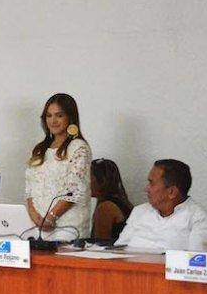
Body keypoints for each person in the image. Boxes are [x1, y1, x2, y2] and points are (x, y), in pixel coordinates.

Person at [24, 93, 92, 239]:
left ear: (70, 117)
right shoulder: (39, 149)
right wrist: (33, 214)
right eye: (48, 115)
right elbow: (29, 187)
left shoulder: (79, 148)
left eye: (59, 115)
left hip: (67, 228)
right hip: (36, 225)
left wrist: (51, 216)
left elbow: (73, 190)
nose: (53, 120)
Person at [115, 159, 207, 252]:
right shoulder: (139, 211)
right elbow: (117, 251)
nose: (146, 189)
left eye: (151, 183)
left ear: (172, 192)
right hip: (130, 272)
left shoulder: (201, 219)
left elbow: (199, 264)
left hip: (169, 274)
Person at [90, 158, 133, 240]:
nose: (83, 182)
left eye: (88, 177)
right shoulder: (121, 202)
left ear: (102, 180)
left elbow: (100, 245)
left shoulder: (106, 207)